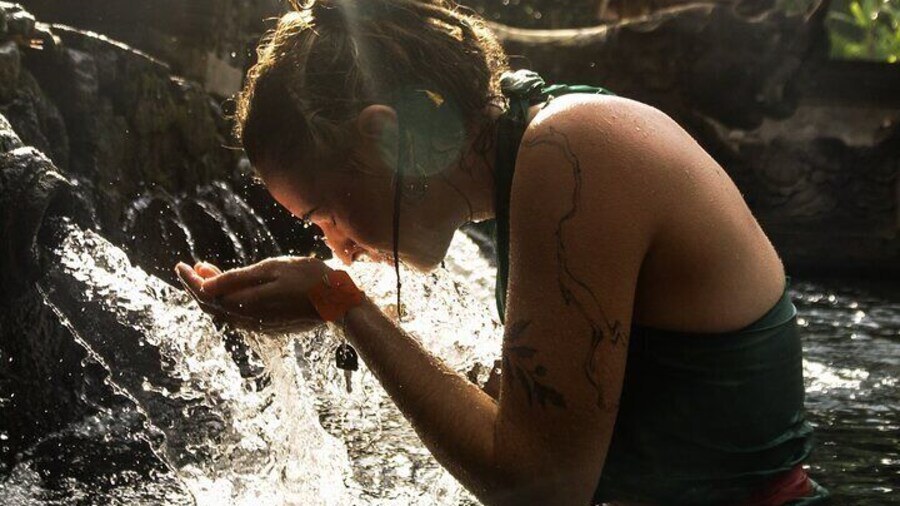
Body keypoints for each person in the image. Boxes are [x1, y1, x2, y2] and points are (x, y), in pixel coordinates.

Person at [175, 1, 828, 504]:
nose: (336, 245)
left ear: (386, 139)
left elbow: (541, 489)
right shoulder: (534, 157)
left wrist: (337, 301)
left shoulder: (571, 152)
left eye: (324, 214)